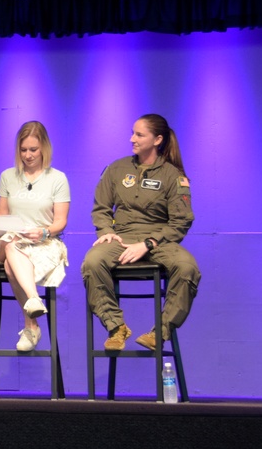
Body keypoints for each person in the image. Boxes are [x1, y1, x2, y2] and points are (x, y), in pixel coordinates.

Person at [82, 113, 200, 351]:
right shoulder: (117, 169)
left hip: (159, 240)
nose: (131, 139)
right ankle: (116, 327)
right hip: (121, 236)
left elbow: (180, 221)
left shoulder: (172, 175)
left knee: (187, 267)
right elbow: (101, 208)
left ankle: (161, 331)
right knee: (92, 262)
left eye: (139, 134)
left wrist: (148, 243)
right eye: (133, 133)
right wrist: (105, 230)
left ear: (157, 140)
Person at [0, 121, 70, 351]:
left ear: (44, 149)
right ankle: (33, 299)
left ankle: (32, 325)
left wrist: (44, 231)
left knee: (11, 263)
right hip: (13, 239)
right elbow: (2, 217)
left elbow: (60, 221)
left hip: (44, 242)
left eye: (33, 150)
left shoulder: (57, 178)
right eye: (23, 150)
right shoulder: (8, 176)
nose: (28, 155)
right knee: (10, 243)